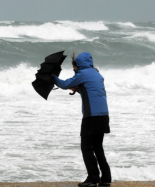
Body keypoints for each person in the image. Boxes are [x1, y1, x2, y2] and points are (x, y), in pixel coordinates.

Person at [51, 52, 112, 187]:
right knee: (97, 147)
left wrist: (52, 77)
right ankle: (106, 178)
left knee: (86, 147)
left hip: (91, 116)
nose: (74, 69)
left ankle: (93, 177)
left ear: (78, 65)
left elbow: (65, 84)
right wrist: (78, 89)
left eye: (74, 67)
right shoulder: (96, 73)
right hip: (103, 115)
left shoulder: (82, 74)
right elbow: (91, 90)